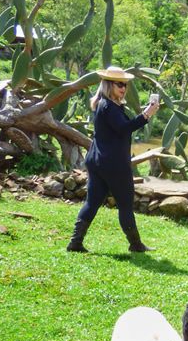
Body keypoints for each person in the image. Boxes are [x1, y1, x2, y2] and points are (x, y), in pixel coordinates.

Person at [66, 66, 159, 253]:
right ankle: (135, 244)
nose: (123, 88)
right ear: (109, 84)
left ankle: (75, 242)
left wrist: (143, 114)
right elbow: (124, 129)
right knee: (125, 203)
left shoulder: (105, 104)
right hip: (113, 163)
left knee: (92, 202)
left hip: (98, 161)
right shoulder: (108, 106)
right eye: (119, 84)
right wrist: (146, 114)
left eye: (125, 84)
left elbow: (119, 127)